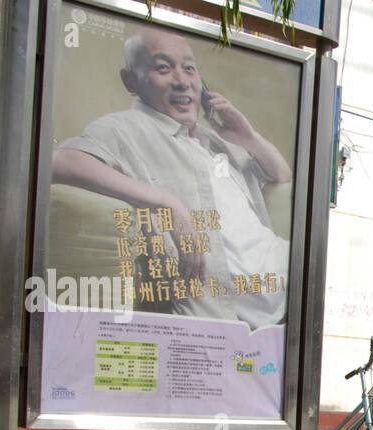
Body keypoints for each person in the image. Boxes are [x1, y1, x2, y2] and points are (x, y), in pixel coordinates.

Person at [51, 26, 291, 329]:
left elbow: (282, 177)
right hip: (234, 312)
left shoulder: (218, 142)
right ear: (131, 81)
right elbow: (63, 162)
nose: (182, 82)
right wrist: (165, 203)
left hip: (282, 280)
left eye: (189, 69)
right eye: (163, 68)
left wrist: (249, 137)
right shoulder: (125, 128)